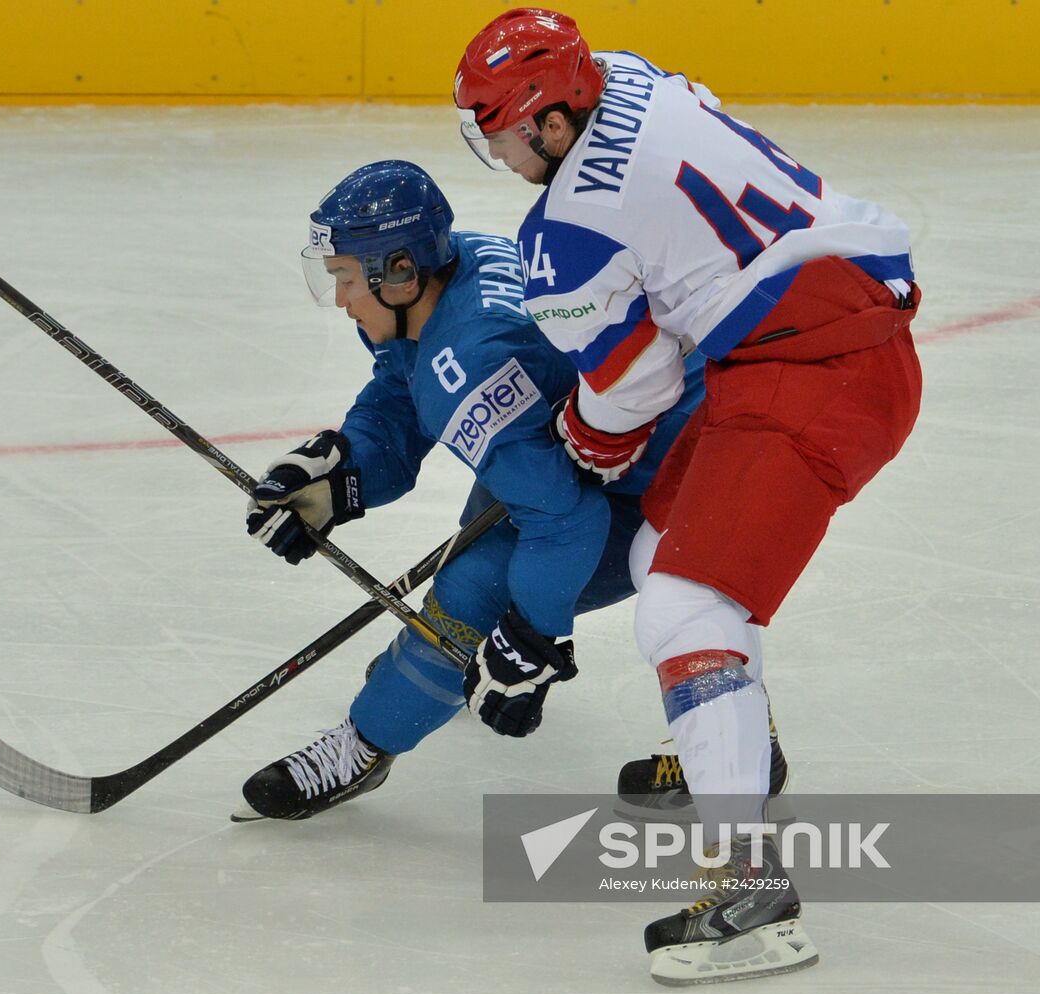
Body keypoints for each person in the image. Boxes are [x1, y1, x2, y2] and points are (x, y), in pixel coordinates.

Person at [454, 8, 923, 987]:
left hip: (820, 366)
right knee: (653, 548)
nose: (492, 149)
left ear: (548, 121)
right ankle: (739, 755)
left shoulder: (564, 235)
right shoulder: (623, 74)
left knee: (682, 602)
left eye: (500, 127)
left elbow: (633, 390)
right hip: (806, 334)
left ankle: (753, 894)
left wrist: (578, 440)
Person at [234, 159, 707, 822]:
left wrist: (532, 639)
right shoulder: (449, 280)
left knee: (470, 594)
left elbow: (565, 521)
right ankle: (433, 672)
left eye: (345, 279)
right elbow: (401, 396)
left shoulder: (473, 358)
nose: (340, 299)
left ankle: (362, 746)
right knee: (480, 568)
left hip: (665, 483)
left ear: (398, 270)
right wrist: (335, 477)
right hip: (586, 455)